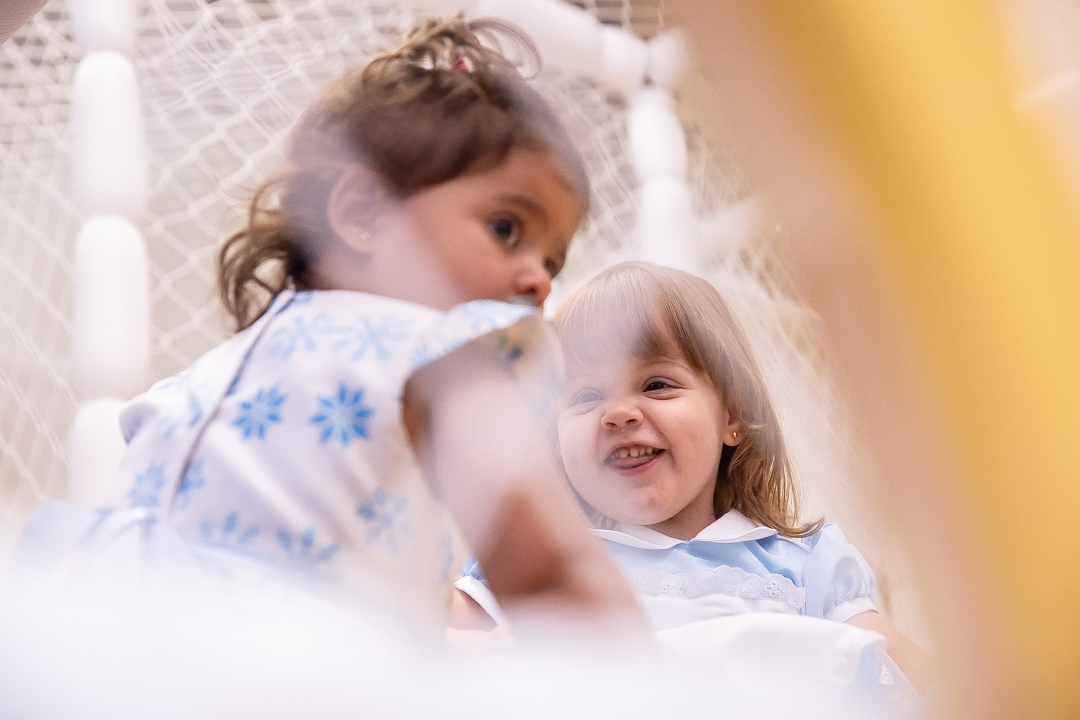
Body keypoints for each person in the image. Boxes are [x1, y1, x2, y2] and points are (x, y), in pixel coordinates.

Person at [17, 17, 645, 642]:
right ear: (363, 214)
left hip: (202, 662)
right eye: (507, 228)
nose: (538, 279)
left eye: (553, 261)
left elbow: (543, 568)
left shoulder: (438, 360)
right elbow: (546, 573)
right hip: (202, 658)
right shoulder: (424, 359)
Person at [458, 261, 935, 692]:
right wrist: (480, 652)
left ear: (734, 414)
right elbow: (420, 642)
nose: (619, 413)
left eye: (656, 384)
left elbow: (924, 678)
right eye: (584, 397)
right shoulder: (537, 559)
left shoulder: (802, 565)